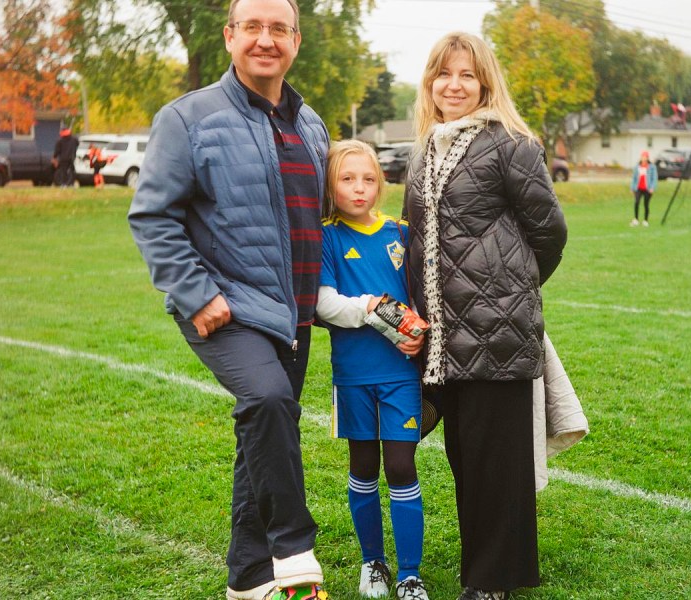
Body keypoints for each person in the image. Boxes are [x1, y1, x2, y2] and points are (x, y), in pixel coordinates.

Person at [127, 1, 331, 599]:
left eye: (278, 29)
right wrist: (196, 293)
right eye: (252, 28)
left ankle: (247, 579)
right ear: (230, 37)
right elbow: (152, 217)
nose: (264, 40)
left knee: (260, 439)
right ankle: (292, 551)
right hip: (225, 308)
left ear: (295, 40)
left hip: (292, 311)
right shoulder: (186, 118)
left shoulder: (310, 124)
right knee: (268, 402)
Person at [402, 32, 568, 600]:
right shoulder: (425, 149)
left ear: (485, 82)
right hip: (443, 338)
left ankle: (492, 582)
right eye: (443, 74)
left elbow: (549, 232)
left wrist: (506, 295)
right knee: (467, 460)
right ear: (430, 83)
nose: (454, 85)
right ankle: (487, 568)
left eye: (466, 75)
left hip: (497, 332)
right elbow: (418, 237)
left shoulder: (511, 145)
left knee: (497, 464)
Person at [316, 140, 428, 600]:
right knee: (363, 466)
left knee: (401, 465)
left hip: (401, 373)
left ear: (380, 183)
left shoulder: (400, 232)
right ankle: (373, 563)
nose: (358, 188)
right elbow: (323, 304)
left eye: (367, 179)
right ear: (330, 185)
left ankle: (410, 574)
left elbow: (420, 294)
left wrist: (416, 328)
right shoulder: (326, 236)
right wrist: (372, 308)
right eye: (346, 179)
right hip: (353, 375)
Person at [630, 150, 657, 227]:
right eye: (643, 157)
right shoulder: (637, 167)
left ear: (647, 158)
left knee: (646, 204)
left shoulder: (652, 167)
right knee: (637, 202)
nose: (644, 158)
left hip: (647, 188)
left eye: (645, 157)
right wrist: (632, 187)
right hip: (638, 188)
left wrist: (652, 187)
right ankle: (636, 219)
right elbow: (634, 178)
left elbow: (654, 178)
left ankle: (645, 220)